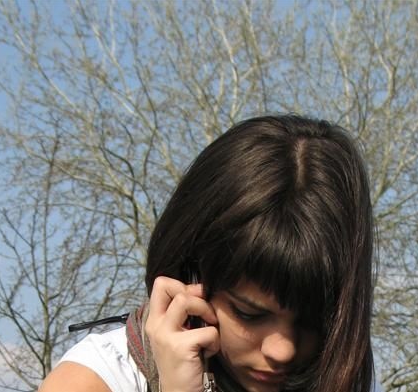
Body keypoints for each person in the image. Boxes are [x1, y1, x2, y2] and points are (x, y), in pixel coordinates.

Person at [39, 114, 380, 392]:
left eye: (313, 322)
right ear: (188, 276)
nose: (283, 350)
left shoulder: (333, 375)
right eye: (249, 313)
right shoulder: (91, 382)